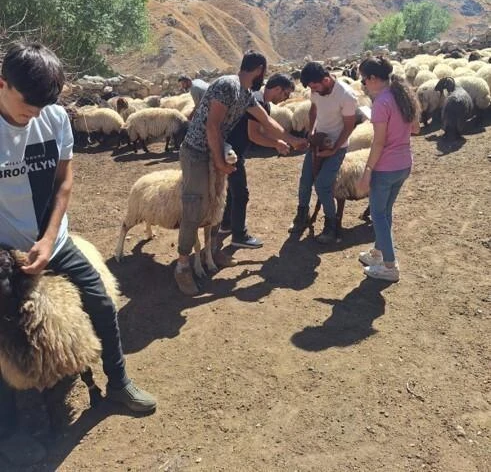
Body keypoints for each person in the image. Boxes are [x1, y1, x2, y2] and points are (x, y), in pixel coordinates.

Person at [0, 43, 156, 464]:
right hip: (2, 248)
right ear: (2, 83)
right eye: (25, 104)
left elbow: (64, 182)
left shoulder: (53, 118)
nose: (32, 115)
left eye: (41, 106)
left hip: (53, 236)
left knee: (103, 302)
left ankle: (118, 382)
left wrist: (50, 240)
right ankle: (7, 430)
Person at [176, 52, 308, 296]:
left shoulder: (245, 94)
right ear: (258, 69)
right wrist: (220, 162)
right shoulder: (228, 85)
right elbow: (212, 126)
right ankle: (183, 265)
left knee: (217, 204)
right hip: (196, 152)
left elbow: (268, 122)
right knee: (195, 205)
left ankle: (212, 250)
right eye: (264, 73)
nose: (264, 78)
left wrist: (293, 140)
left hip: (215, 152)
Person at [355, 56, 420, 282]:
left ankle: (390, 265)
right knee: (385, 212)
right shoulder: (401, 96)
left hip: (386, 167)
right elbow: (416, 128)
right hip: (403, 163)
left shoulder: (382, 102)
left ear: (373, 78)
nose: (363, 84)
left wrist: (367, 171)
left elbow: (379, 142)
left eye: (364, 80)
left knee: (378, 214)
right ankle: (378, 253)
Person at [220, 73, 295, 248]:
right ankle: (239, 235)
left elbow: (263, 129)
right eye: (285, 94)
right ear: (277, 89)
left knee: (233, 190)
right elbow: (253, 135)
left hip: (232, 149)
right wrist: (277, 144)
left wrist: (279, 141)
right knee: (241, 194)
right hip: (232, 152)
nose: (286, 99)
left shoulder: (262, 102)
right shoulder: (257, 101)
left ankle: (226, 224)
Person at [289, 62, 357, 243]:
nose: (314, 90)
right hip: (317, 143)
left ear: (326, 79)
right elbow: (313, 109)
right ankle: (302, 216)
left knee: (322, 185)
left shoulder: (346, 96)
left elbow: (349, 126)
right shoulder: (316, 91)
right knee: (305, 181)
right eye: (311, 88)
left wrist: (334, 149)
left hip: (337, 147)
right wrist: (311, 131)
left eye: (316, 86)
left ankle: (331, 225)